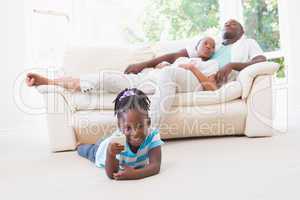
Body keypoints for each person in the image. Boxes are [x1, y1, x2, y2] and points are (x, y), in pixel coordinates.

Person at [26, 37, 219, 127]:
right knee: (109, 77)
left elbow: (212, 87)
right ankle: (51, 82)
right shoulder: (181, 58)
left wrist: (192, 69)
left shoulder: (211, 65)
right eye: (205, 43)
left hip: (187, 80)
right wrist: (157, 68)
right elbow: (164, 68)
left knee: (167, 71)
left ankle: (150, 130)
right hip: (153, 79)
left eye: (212, 46)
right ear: (197, 46)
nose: (209, 47)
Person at [124, 19, 267, 85]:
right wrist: (142, 64)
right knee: (151, 75)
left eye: (233, 24)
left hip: (210, 82)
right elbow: (175, 55)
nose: (228, 24)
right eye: (225, 24)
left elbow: (261, 61)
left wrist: (231, 65)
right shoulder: (212, 44)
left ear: (242, 31)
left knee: (165, 74)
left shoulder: (248, 43)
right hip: (190, 74)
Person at [77, 88, 164, 180]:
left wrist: (135, 174)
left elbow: (155, 166)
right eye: (128, 128)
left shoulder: (153, 135)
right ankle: (79, 146)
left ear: (148, 122)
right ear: (120, 127)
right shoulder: (118, 143)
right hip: (102, 149)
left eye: (141, 126)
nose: (135, 133)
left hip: (109, 139)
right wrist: (110, 154)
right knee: (89, 151)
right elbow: (112, 174)